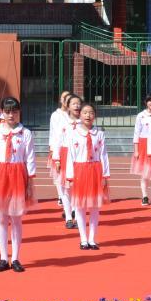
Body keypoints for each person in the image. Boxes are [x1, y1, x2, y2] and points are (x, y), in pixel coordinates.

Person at [0, 97, 35, 272]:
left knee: (16, 219)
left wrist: (29, 183)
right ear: (2, 113)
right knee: (1, 218)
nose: (11, 115)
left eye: (14, 111)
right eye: (7, 111)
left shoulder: (25, 133)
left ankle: (15, 258)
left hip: (18, 175)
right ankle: (3, 257)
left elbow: (29, 159)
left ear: (19, 112)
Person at [65, 102, 109, 250]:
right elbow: (70, 156)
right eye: (85, 112)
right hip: (80, 170)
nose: (88, 116)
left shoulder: (100, 134)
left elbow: (103, 155)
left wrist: (105, 175)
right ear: (80, 115)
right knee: (80, 206)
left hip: (96, 170)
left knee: (95, 207)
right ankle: (83, 239)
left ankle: (92, 238)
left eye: (91, 113)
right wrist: (70, 177)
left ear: (95, 115)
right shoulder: (73, 133)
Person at [50, 94, 82, 229]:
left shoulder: (84, 123)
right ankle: (68, 217)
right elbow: (57, 141)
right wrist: (56, 159)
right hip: (65, 156)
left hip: (79, 158)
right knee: (65, 188)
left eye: (78, 103)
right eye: (73, 104)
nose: (77, 106)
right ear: (68, 106)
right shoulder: (63, 123)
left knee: (77, 188)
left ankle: (76, 211)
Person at [131, 94, 151, 205]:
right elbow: (136, 133)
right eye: (150, 101)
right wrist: (136, 150)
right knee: (144, 173)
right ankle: (144, 196)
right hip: (143, 145)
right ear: (146, 102)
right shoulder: (140, 115)